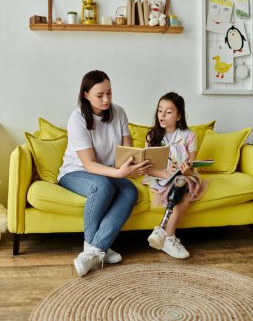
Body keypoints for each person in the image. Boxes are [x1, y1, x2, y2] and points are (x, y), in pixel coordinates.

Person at [58, 70, 152, 276]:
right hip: (76, 172)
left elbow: (129, 152)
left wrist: (136, 166)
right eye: (100, 95)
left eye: (109, 93)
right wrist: (119, 173)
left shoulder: (119, 112)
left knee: (130, 191)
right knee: (102, 186)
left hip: (108, 172)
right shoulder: (77, 118)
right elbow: (90, 165)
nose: (106, 99)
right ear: (86, 95)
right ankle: (94, 248)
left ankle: (96, 249)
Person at [143, 92, 206, 259]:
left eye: (168, 112)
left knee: (182, 183)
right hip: (160, 177)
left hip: (184, 178)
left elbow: (191, 166)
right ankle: (169, 237)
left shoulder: (189, 136)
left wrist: (187, 171)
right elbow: (148, 168)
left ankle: (164, 234)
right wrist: (163, 173)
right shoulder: (152, 136)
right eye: (160, 110)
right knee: (181, 189)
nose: (162, 115)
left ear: (179, 116)